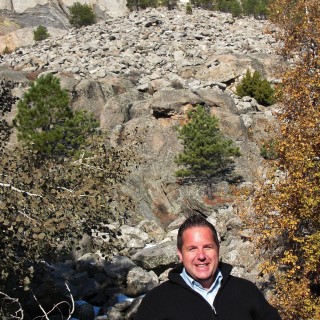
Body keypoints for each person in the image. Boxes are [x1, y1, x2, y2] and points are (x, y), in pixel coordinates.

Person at [134, 214, 281, 320]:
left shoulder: (246, 291)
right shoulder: (156, 302)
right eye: (192, 249)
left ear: (218, 249)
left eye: (208, 247)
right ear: (180, 254)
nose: (201, 256)